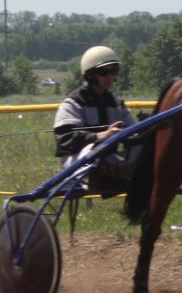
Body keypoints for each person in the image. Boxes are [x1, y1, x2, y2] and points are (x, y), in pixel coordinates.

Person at [54, 45, 141, 196]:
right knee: (92, 150)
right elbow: (64, 140)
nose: (109, 77)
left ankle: (125, 179)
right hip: (77, 163)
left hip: (106, 161)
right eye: (103, 72)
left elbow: (134, 133)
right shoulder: (73, 103)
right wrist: (99, 136)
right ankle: (100, 180)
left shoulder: (116, 103)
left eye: (113, 71)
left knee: (143, 147)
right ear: (90, 75)